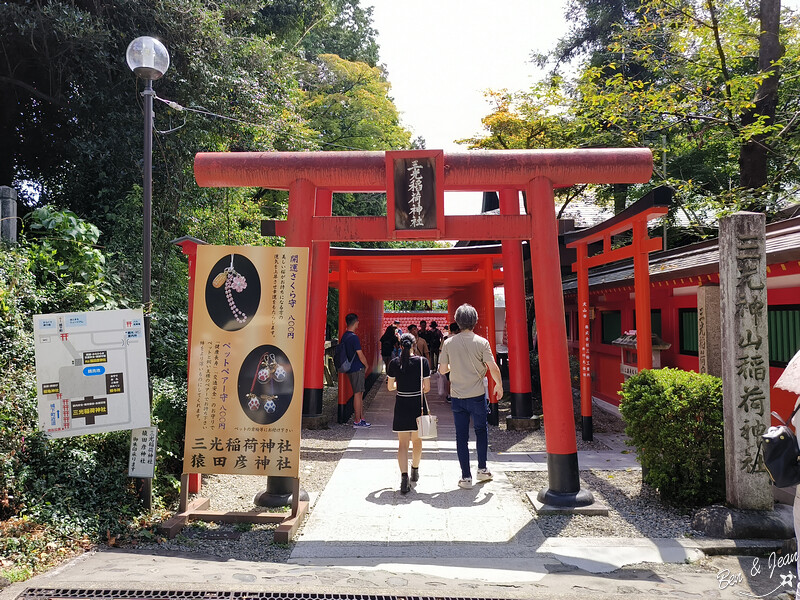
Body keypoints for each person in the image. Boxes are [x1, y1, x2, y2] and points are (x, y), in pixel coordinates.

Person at [438, 304, 502, 489]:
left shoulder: (449, 343)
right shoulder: (482, 342)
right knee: (481, 431)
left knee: (461, 437)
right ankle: (482, 469)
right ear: (475, 321)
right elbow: (493, 367)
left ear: (457, 321)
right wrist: (498, 385)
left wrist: (454, 367)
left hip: (457, 397)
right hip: (477, 395)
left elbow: (442, 370)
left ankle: (466, 477)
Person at [387, 333, 431, 494]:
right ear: (414, 344)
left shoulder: (394, 363)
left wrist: (401, 383)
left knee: (402, 444)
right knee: (417, 441)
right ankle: (415, 469)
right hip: (417, 404)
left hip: (402, 403)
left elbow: (390, 387)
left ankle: (404, 477)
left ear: (400, 345)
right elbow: (427, 388)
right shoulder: (422, 362)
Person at [341, 312, 370, 428]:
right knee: (358, 394)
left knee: (359, 393)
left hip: (349, 368)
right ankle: (358, 420)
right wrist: (366, 364)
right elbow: (360, 354)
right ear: (356, 322)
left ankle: (361, 418)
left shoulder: (344, 336)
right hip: (357, 368)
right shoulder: (354, 337)